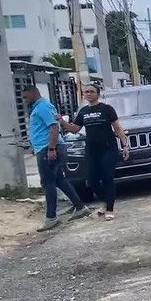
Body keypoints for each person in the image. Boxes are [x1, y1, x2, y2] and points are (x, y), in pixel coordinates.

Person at [22, 85, 89, 231]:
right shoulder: (42, 107)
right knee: (59, 180)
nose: (25, 100)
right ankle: (80, 207)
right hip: (46, 148)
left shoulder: (42, 108)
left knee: (48, 183)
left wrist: (51, 148)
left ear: (34, 93)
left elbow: (54, 127)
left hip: (50, 149)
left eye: (26, 97)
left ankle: (51, 217)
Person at [58, 83, 128, 220]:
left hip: (108, 148)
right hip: (91, 149)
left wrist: (124, 145)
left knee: (107, 177)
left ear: (98, 94)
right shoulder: (83, 111)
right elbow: (74, 129)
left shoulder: (107, 109)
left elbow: (118, 128)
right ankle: (106, 201)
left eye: (91, 91)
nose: (88, 94)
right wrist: (62, 122)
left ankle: (109, 209)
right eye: (86, 92)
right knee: (92, 180)